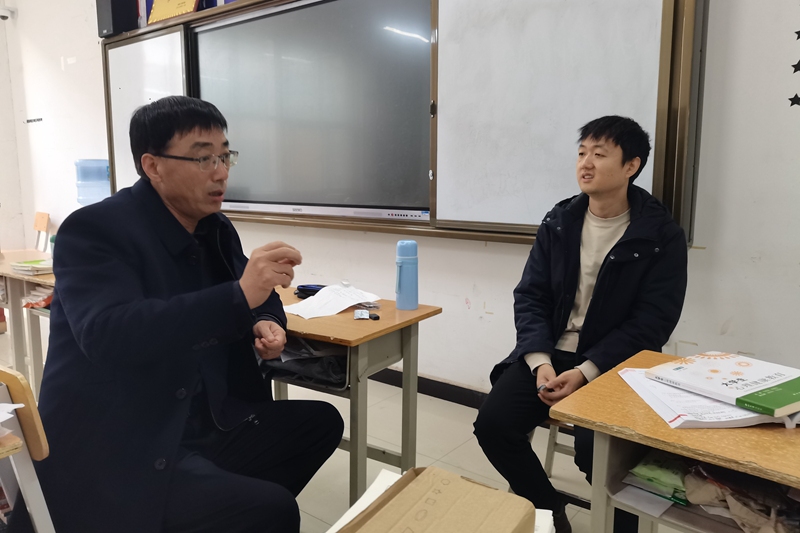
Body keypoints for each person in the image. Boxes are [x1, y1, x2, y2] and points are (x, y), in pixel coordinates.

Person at [11, 96, 344, 533]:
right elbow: (109, 335)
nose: (220, 172)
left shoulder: (215, 228)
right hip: (128, 440)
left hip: (205, 420)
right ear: (153, 166)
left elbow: (252, 292)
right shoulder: (95, 230)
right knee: (273, 509)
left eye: (225, 156)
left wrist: (266, 319)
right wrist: (240, 298)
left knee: (320, 423)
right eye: (203, 158)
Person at [473, 116, 688, 533]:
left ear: (631, 166)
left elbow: (652, 322)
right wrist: (540, 361)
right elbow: (531, 295)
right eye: (582, 153)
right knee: (493, 425)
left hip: (615, 364)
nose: (586, 163)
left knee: (600, 453)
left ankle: (622, 525)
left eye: (599, 154)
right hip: (550, 353)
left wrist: (587, 371)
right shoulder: (560, 221)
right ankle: (550, 510)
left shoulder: (660, 235)